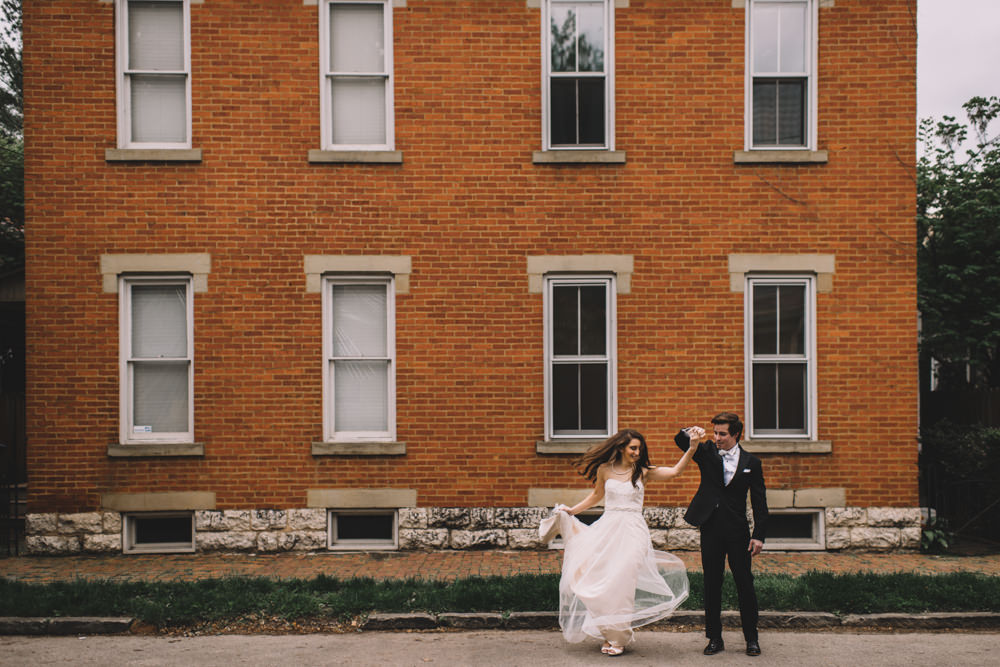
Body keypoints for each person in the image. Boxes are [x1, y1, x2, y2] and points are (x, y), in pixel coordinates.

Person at [539, 427, 702, 656]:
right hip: (608, 529)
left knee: (623, 583)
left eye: (639, 448)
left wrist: (692, 447)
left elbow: (675, 472)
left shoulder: (642, 471)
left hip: (633, 531)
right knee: (606, 581)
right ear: (621, 448)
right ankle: (609, 634)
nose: (637, 452)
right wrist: (572, 511)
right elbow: (596, 496)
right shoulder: (604, 470)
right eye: (633, 448)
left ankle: (620, 638)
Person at [674, 412, 768, 657]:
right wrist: (689, 430)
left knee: (745, 584)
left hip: (738, 531)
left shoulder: (752, 463)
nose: (717, 437)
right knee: (712, 584)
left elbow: (759, 502)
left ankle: (752, 639)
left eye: (722, 434)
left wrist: (758, 535)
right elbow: (680, 440)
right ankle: (714, 638)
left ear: (736, 434)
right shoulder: (706, 452)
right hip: (711, 528)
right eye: (715, 432)